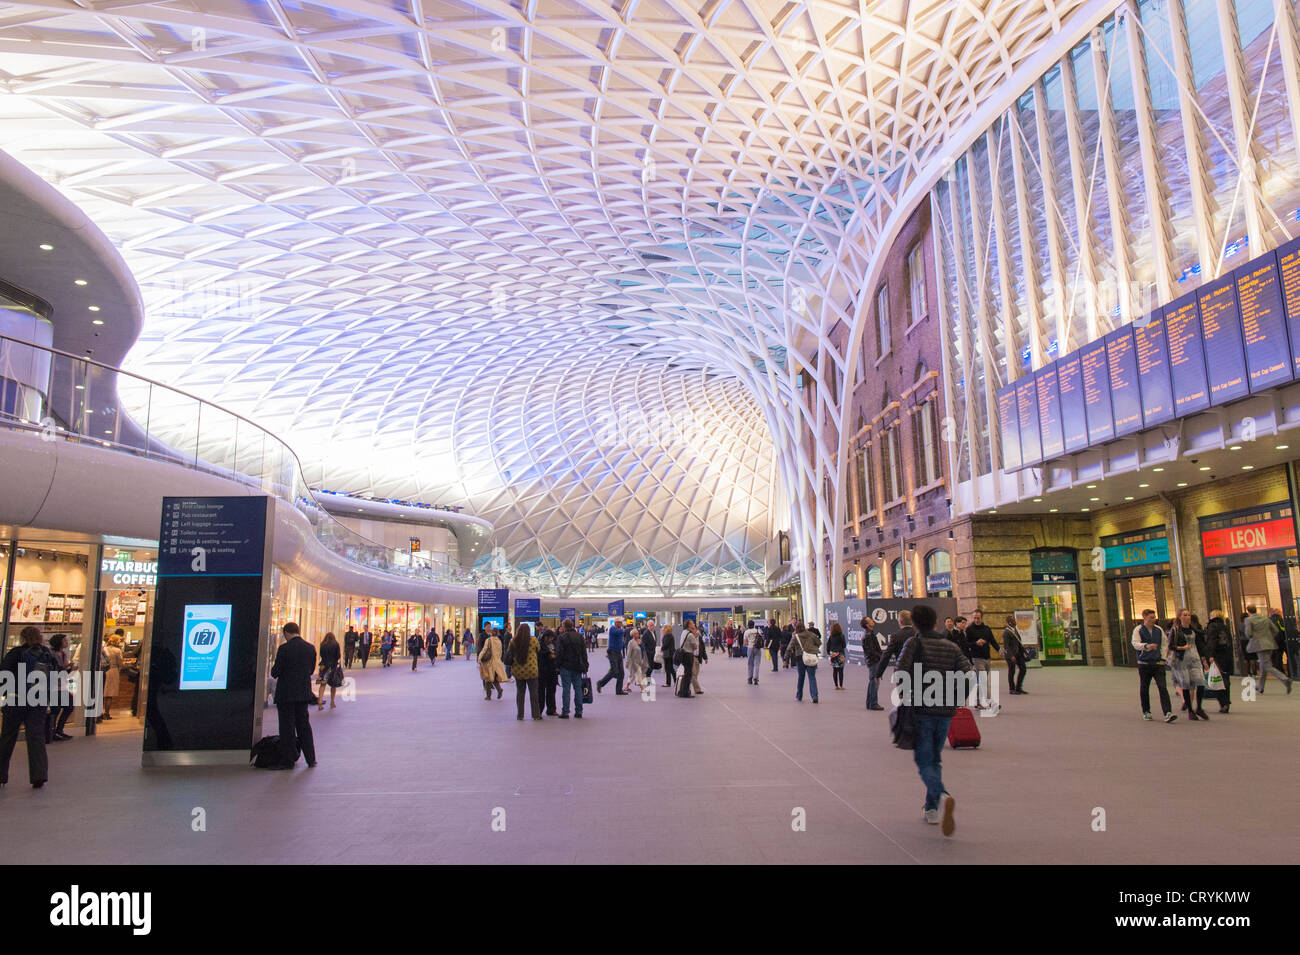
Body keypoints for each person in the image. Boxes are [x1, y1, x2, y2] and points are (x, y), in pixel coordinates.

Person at [895, 604, 972, 836]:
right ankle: (930, 809)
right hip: (945, 712)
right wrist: (957, 698)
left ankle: (942, 795)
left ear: (915, 624)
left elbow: (900, 670)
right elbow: (968, 673)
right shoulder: (950, 646)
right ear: (937, 623)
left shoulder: (913, 643)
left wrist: (906, 694)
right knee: (935, 759)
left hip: (921, 710)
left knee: (924, 761)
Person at [0, 627, 53, 788]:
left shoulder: (16, 653)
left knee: (8, 737)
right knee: (36, 737)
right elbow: (57, 673)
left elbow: (4, 673)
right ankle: (39, 776)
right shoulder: (46, 654)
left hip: (15, 699)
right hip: (38, 701)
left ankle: (1, 774)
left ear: (22, 638)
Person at [270, 622, 317, 769]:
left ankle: (288, 760)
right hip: (303, 693)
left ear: (286, 633)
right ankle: (311, 758)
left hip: (286, 694)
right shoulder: (310, 648)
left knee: (287, 727)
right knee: (304, 725)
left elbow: (275, 672)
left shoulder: (284, 649)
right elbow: (310, 670)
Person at [1132, 609, 1177, 722]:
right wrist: (1146, 646)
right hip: (1144, 663)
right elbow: (1135, 643)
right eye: (1151, 617)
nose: (1154, 619)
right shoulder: (1138, 630)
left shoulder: (1159, 630)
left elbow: (1164, 644)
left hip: (1158, 663)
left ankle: (1167, 712)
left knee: (1162, 687)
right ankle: (1146, 711)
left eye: (1154, 617)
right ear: (1145, 618)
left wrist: (1163, 658)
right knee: (1144, 687)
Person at [1243, 604, 1293, 693]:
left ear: (1248, 611)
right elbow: (1275, 630)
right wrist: (1269, 637)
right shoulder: (1265, 618)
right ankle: (1260, 687)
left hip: (1259, 645)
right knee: (1263, 666)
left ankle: (1285, 679)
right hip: (1269, 644)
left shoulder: (1248, 620)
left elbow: (1249, 633)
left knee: (1267, 666)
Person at [1168, 609, 1208, 720]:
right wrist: (1182, 647)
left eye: (1189, 615)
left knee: (1200, 682)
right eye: (1185, 615)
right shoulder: (1175, 630)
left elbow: (1200, 644)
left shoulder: (1194, 630)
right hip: (1182, 659)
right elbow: (1171, 646)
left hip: (1194, 658)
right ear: (1179, 617)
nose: (1188, 617)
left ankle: (1199, 707)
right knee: (1186, 684)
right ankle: (1190, 710)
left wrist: (1204, 659)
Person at [962, 610, 999, 709]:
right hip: (976, 658)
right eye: (974, 618)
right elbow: (966, 644)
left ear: (982, 618)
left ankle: (977, 702)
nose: (976, 620)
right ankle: (991, 703)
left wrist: (999, 650)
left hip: (987, 658)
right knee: (984, 681)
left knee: (981, 682)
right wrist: (976, 643)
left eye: (978, 618)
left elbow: (993, 641)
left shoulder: (987, 629)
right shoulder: (969, 630)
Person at [507, 624, 542, 721]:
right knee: (534, 693)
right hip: (532, 671)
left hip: (518, 671)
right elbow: (538, 649)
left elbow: (509, 653)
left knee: (520, 693)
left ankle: (520, 715)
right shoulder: (533, 640)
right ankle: (535, 715)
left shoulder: (513, 641)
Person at [873, 610, 915, 688]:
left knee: (903, 697)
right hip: (919, 671)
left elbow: (886, 656)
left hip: (902, 671)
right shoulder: (918, 634)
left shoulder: (896, 636)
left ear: (900, 622)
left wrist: (878, 673)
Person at [555, 619, 588, 718]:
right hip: (577, 666)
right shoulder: (580, 637)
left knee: (566, 689)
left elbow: (559, 653)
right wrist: (585, 665)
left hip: (566, 666)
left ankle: (565, 711)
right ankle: (579, 711)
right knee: (578, 688)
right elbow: (583, 653)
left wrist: (557, 665)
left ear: (564, 626)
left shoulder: (562, 637)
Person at [46, 633, 76, 742]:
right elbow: (55, 670)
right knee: (56, 710)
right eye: (65, 641)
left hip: (62, 686)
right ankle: (52, 732)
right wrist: (67, 667)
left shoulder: (63, 654)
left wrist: (70, 669)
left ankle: (59, 730)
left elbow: (64, 672)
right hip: (54, 687)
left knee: (69, 707)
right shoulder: (52, 655)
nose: (67, 643)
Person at [1203, 609, 1233, 713]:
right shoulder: (1225, 626)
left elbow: (1212, 641)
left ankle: (1223, 702)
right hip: (1226, 655)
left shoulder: (1212, 626)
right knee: (1225, 679)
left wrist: (1209, 655)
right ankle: (1226, 701)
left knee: (1217, 679)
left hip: (1217, 655)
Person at [787, 620, 821, 702]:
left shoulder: (796, 637)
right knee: (812, 677)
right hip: (811, 657)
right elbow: (819, 643)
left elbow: (789, 648)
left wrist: (786, 659)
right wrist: (812, 647)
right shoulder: (811, 634)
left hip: (800, 658)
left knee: (801, 677)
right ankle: (814, 696)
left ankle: (799, 695)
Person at [596, 617, 626, 695]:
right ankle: (600, 683)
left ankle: (619, 690)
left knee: (621, 673)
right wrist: (622, 629)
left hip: (618, 652)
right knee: (614, 670)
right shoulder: (612, 629)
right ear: (616, 623)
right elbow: (621, 631)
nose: (621, 624)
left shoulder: (618, 629)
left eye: (621, 623)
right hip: (612, 652)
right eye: (620, 622)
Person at [1000, 615, 1027, 695]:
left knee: (1023, 669)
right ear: (1010, 622)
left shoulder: (1015, 630)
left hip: (1018, 654)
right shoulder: (1006, 632)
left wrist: (1023, 651)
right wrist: (1011, 656)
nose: (1015, 621)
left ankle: (1019, 688)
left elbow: (1018, 641)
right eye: (1013, 620)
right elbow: (1006, 646)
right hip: (1010, 655)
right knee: (1012, 671)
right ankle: (1012, 689)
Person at [478, 625, 506, 700]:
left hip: (489, 662)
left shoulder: (489, 640)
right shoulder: (499, 641)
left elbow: (484, 650)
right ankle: (499, 689)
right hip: (497, 661)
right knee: (494, 678)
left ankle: (488, 696)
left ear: (491, 633)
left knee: (487, 678)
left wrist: (479, 658)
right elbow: (500, 652)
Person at [100, 632, 124, 720]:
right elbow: (120, 663)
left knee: (102, 692)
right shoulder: (117, 651)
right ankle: (107, 713)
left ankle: (99, 713)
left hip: (104, 671)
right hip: (113, 671)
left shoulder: (104, 648)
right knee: (109, 694)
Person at [862, 617, 884, 710]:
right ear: (867, 624)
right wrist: (879, 656)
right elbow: (871, 650)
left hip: (872, 660)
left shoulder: (868, 634)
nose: (872, 621)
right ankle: (873, 703)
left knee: (872, 681)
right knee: (875, 681)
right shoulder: (869, 635)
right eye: (870, 620)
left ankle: (870, 703)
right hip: (874, 660)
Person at [316, 632, 342, 710]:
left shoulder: (322, 644)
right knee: (333, 685)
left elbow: (321, 654)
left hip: (323, 667)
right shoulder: (336, 644)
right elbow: (338, 656)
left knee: (322, 684)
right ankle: (332, 702)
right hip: (332, 667)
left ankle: (320, 702)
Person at [537, 628, 559, 716]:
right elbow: (539, 655)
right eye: (550, 638)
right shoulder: (539, 645)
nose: (551, 640)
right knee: (541, 692)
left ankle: (551, 709)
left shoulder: (554, 644)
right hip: (542, 671)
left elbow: (557, 653)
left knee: (551, 691)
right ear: (545, 637)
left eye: (552, 638)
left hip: (552, 671)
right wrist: (548, 653)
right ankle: (539, 710)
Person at [676, 622, 699, 698]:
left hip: (683, 655)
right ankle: (685, 692)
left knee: (686, 673)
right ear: (689, 625)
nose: (694, 624)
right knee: (688, 674)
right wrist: (695, 635)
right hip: (688, 655)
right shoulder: (690, 635)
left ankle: (681, 691)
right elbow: (695, 647)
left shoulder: (684, 632)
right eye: (692, 623)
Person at [826, 622, 847, 691]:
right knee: (841, 670)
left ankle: (836, 685)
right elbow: (844, 645)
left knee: (834, 670)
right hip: (840, 654)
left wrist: (829, 653)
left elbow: (828, 645)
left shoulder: (831, 637)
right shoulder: (841, 636)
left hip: (833, 654)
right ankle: (841, 685)